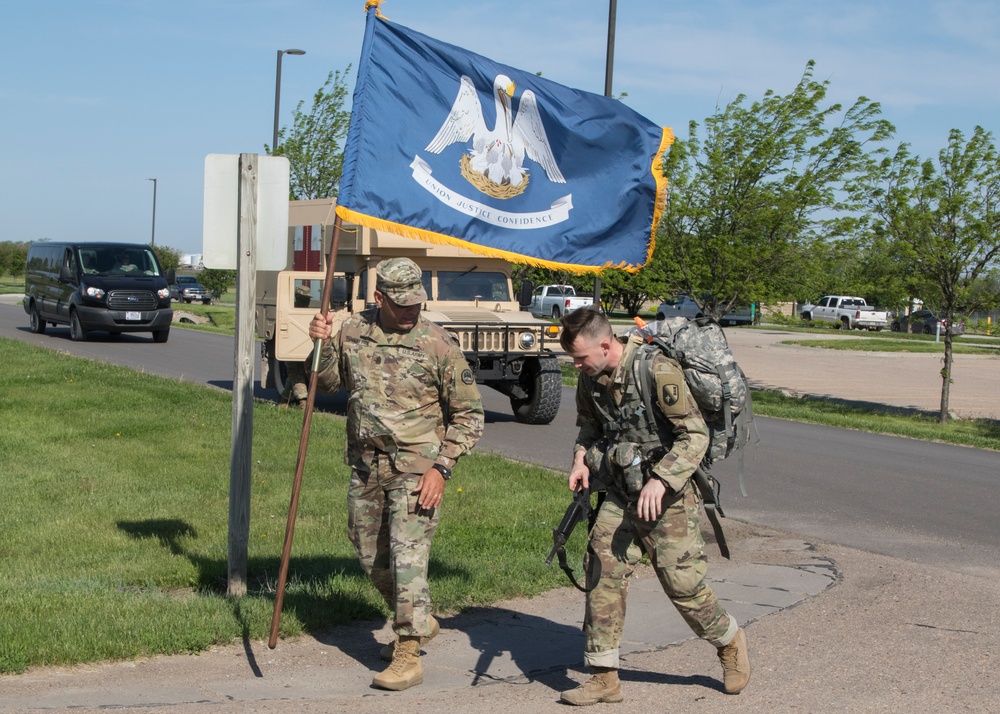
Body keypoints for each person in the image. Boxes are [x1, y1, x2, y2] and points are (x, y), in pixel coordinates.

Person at [307, 257, 484, 691]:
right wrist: (321, 342)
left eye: (417, 303)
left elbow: (470, 415)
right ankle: (419, 618)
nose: (411, 312)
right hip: (366, 464)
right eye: (401, 304)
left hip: (418, 469)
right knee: (369, 554)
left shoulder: (439, 344)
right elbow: (326, 384)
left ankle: (408, 653)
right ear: (379, 298)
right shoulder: (352, 331)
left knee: (408, 558)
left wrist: (442, 468)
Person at [557, 308, 751, 705]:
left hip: (668, 496)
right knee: (603, 568)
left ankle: (729, 641)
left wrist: (661, 481)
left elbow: (693, 436)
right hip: (620, 490)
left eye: (580, 357)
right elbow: (589, 427)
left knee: (683, 586)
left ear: (607, 345)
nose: (576, 365)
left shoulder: (656, 370)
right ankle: (603, 675)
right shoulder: (589, 379)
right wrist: (580, 458)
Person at [278, 285, 313, 407]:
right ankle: (303, 403)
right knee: (296, 374)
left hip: (302, 348)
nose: (307, 301)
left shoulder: (306, 313)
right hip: (291, 348)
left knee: (293, 375)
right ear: (298, 298)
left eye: (307, 299)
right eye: (304, 298)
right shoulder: (291, 311)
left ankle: (283, 402)